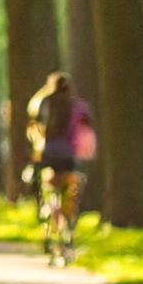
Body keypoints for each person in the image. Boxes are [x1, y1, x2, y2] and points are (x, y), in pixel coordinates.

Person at [26, 72, 94, 234]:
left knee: (34, 177)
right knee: (71, 186)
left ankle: (41, 207)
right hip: (69, 155)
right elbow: (86, 131)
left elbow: (35, 127)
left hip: (48, 152)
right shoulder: (79, 106)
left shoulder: (43, 102)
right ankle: (69, 223)